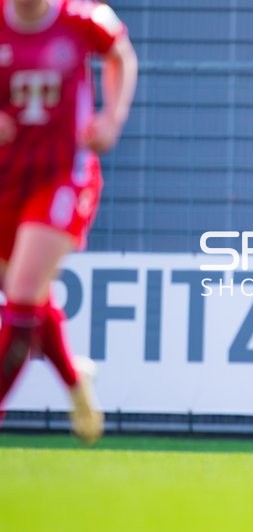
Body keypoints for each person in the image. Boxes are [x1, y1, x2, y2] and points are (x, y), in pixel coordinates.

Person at [0, 0, 138, 445]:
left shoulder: (82, 19)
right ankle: (75, 380)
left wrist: (111, 118)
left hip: (64, 176)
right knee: (30, 298)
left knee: (20, 298)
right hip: (7, 179)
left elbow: (121, 55)